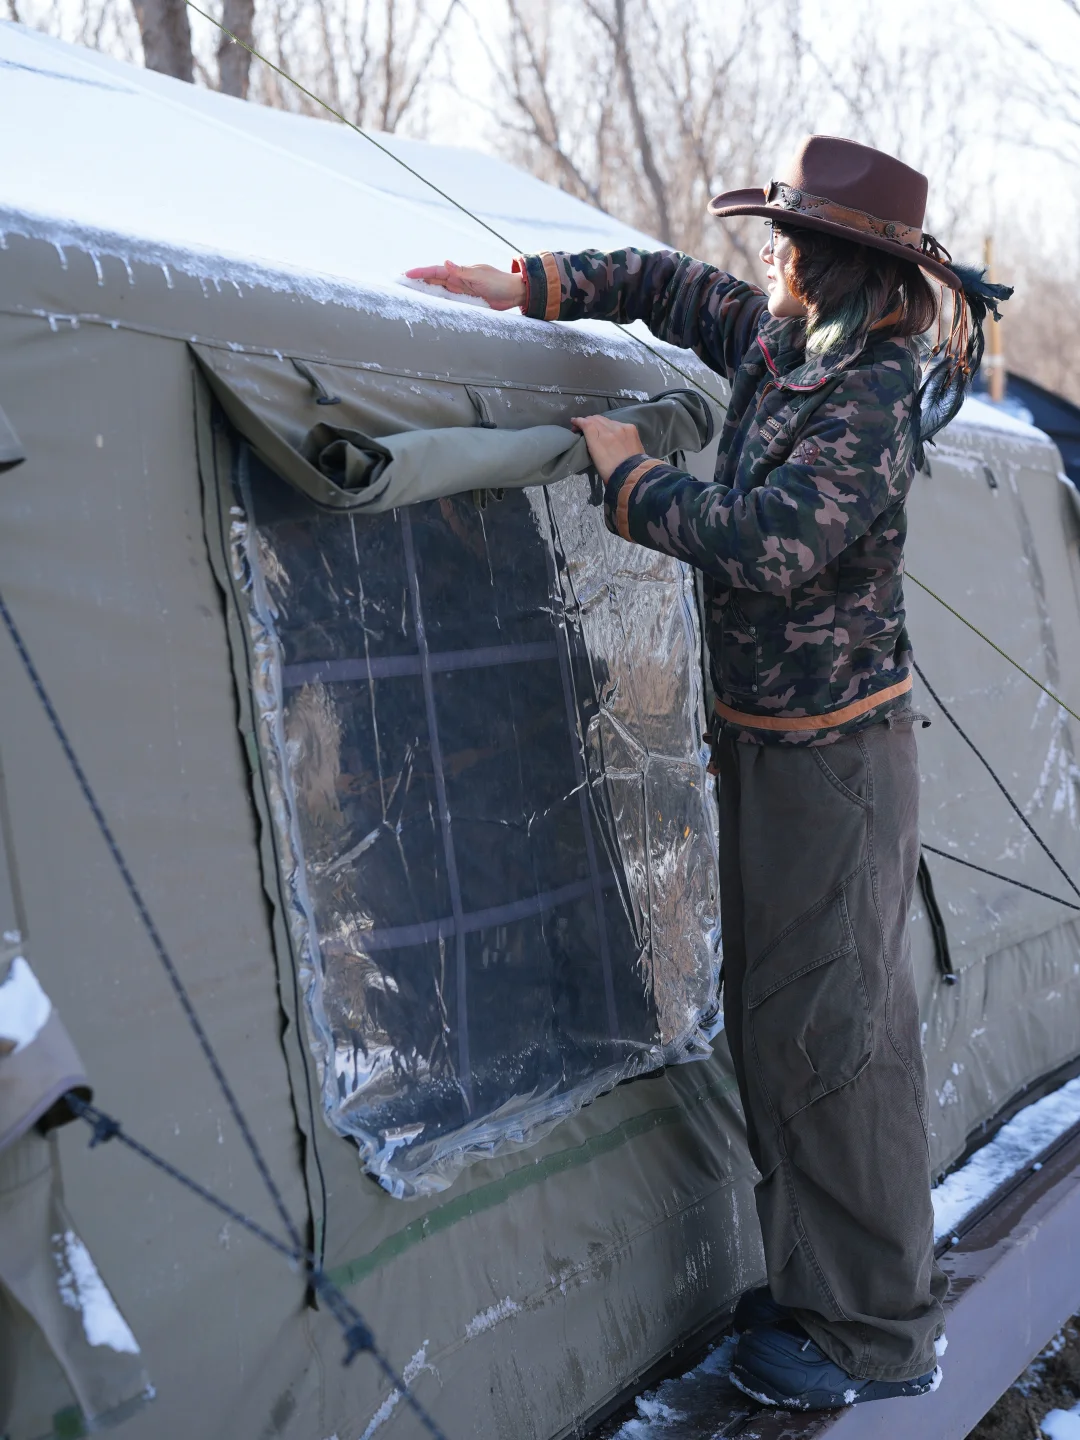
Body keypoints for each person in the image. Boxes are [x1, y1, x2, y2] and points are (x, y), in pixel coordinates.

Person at [406, 134, 1010, 1412]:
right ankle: (819, 1288)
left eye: (791, 242)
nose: (771, 258)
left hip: (837, 758)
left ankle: (870, 1333)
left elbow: (774, 544)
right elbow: (674, 288)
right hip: (774, 741)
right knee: (783, 1024)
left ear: (840, 264)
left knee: (833, 1036)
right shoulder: (793, 346)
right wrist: (532, 285)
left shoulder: (871, 389)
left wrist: (626, 475)